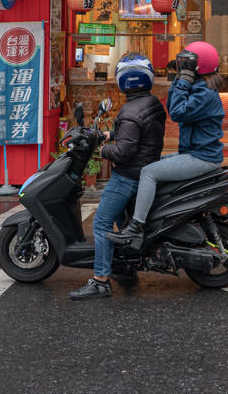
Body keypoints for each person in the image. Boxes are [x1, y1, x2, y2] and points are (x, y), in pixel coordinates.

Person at [110, 41, 224, 251]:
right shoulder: (199, 88)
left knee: (149, 173)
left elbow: (177, 112)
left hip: (202, 157)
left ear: (199, 66)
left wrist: (182, 81)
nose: (182, 66)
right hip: (194, 154)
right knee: (150, 165)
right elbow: (173, 107)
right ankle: (154, 221)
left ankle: (136, 226)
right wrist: (182, 80)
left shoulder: (205, 94)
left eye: (187, 63)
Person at [69, 53, 165, 300]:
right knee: (121, 220)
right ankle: (126, 263)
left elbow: (123, 152)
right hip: (146, 168)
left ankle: (100, 280)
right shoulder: (151, 102)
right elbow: (137, 132)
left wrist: (102, 150)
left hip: (128, 176)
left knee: (101, 223)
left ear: (124, 80)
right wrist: (110, 135)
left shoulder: (130, 111)